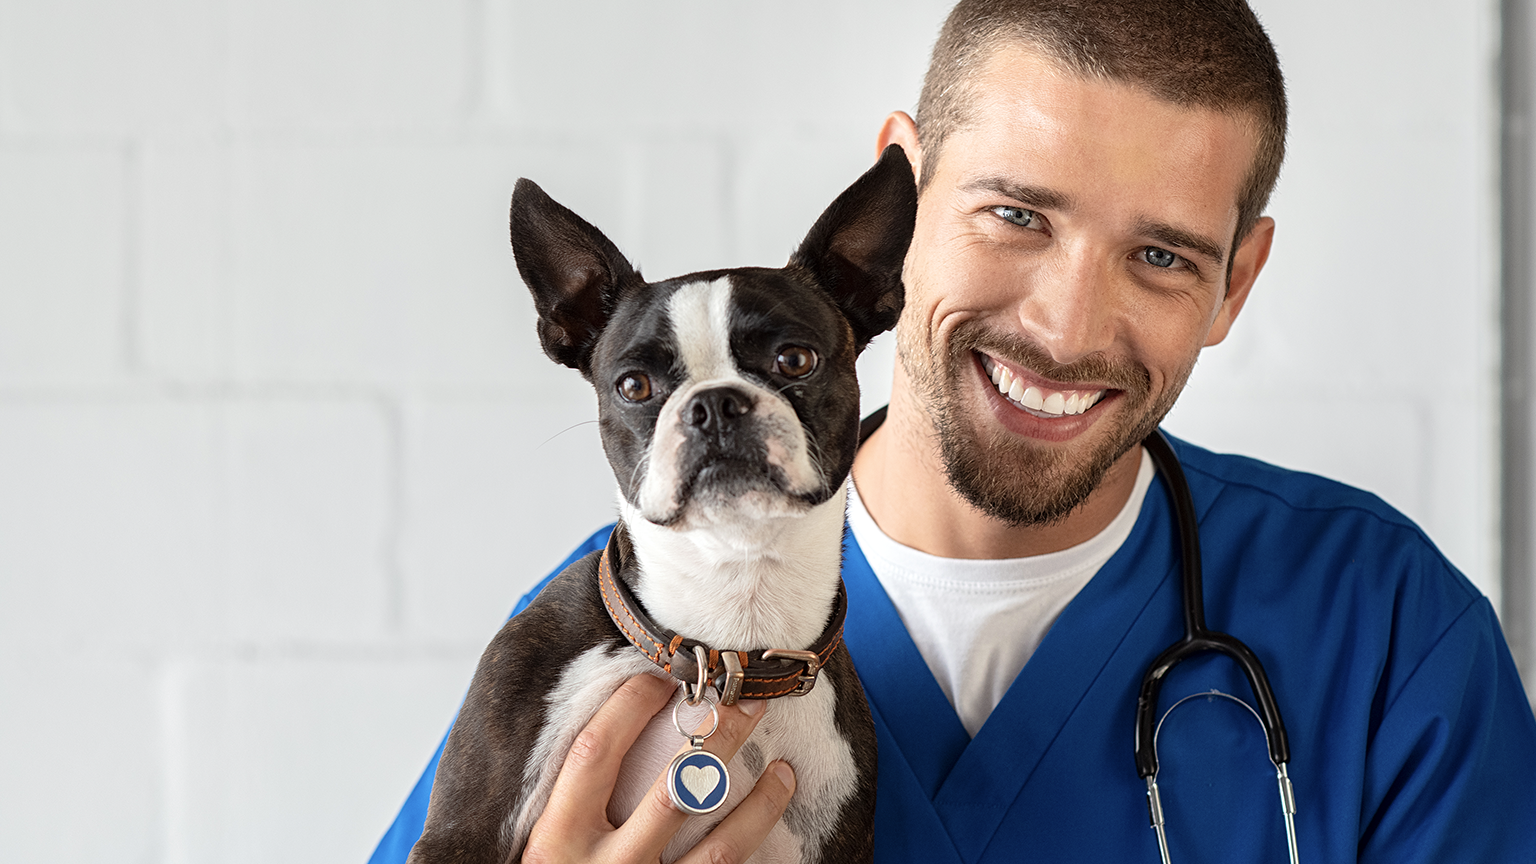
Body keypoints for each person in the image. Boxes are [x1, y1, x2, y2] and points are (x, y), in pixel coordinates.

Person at [372, 1, 1536, 861]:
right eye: (1016, 215)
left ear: (1238, 283)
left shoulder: (1388, 632)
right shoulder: (613, 628)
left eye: (1163, 255)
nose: (1066, 326)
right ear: (907, 201)